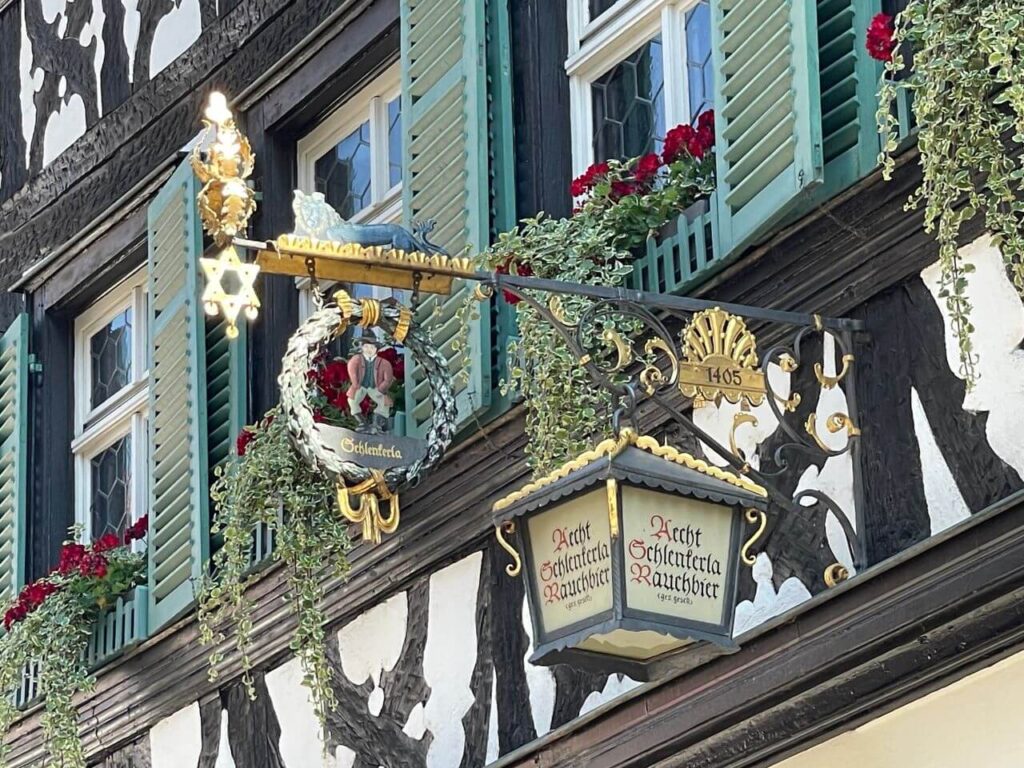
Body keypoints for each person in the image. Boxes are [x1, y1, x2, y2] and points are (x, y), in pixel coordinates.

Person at [346, 333, 395, 434]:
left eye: (372, 347)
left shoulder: (384, 363)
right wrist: (355, 383)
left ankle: (376, 425)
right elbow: (351, 368)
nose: (369, 349)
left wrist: (381, 389)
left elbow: (388, 379)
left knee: (384, 404)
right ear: (362, 348)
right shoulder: (357, 359)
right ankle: (362, 423)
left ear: (376, 349)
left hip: (375, 387)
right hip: (361, 385)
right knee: (352, 400)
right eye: (366, 347)